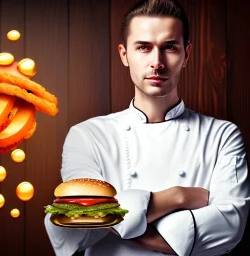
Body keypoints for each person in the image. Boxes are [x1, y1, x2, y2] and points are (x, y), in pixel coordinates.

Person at [44, 0, 250, 255]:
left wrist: (118, 219)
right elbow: (82, 218)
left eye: (170, 47)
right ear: (124, 55)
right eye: (143, 47)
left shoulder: (222, 135)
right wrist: (179, 196)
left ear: (187, 55)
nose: (157, 62)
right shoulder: (88, 135)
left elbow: (230, 227)